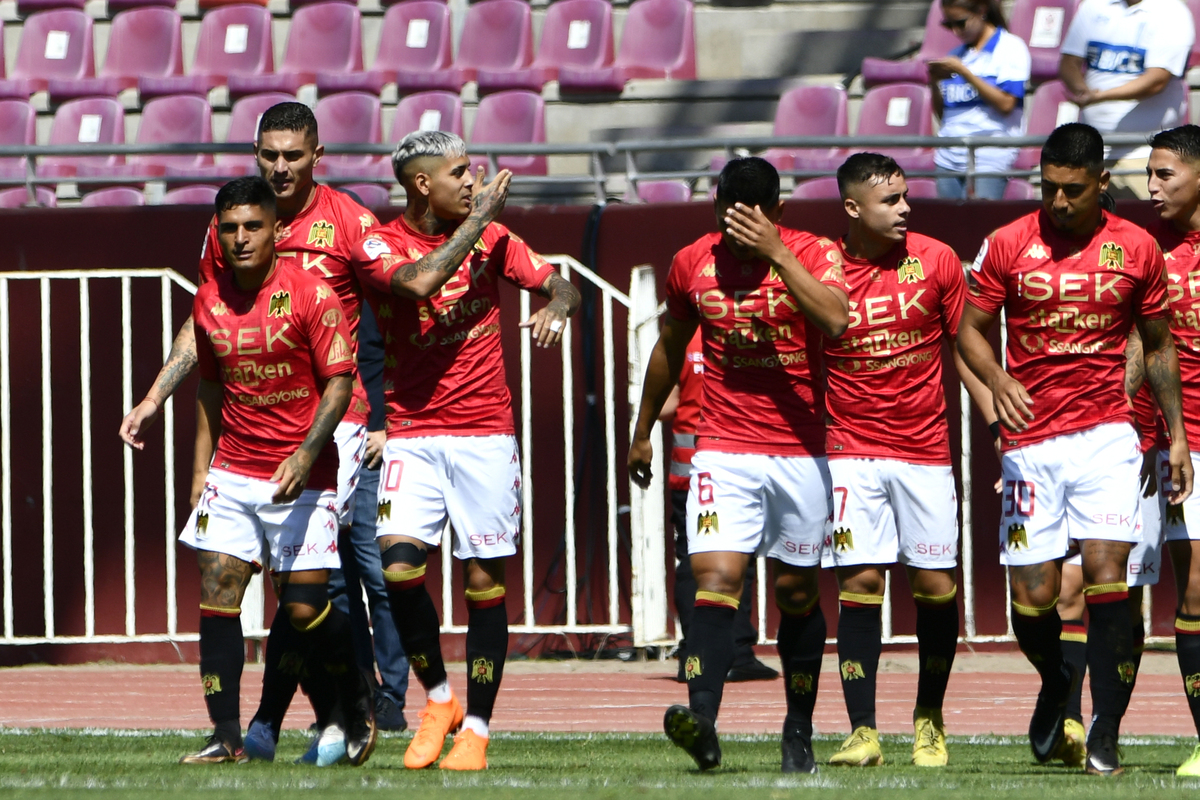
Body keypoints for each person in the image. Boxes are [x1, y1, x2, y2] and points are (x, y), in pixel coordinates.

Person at [117, 102, 404, 764]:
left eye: (292, 155)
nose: (279, 166)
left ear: (316, 155)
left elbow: (396, 295)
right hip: (243, 450)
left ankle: (345, 703)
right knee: (228, 585)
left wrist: (389, 414)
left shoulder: (349, 229)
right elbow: (207, 335)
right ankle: (245, 731)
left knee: (317, 595)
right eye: (268, 155)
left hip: (334, 422)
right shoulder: (223, 240)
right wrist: (154, 398)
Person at [957, 122, 1192, 776]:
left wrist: (1173, 435)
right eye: (1048, 187)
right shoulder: (1006, 243)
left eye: (1072, 190)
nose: (1058, 202)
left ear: (1099, 183)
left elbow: (1159, 343)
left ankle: (1105, 734)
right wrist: (998, 378)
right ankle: (1056, 679)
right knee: (1031, 599)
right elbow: (969, 331)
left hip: (1109, 437)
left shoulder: (1136, 247)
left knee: (1106, 577)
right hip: (1031, 441)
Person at [351, 130, 582, 771]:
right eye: (460, 172)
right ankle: (439, 700)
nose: (473, 182)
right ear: (421, 183)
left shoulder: (496, 240)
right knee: (398, 570)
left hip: (484, 434)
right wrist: (480, 220)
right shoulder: (380, 243)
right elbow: (419, 285)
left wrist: (556, 306)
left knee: (483, 582)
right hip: (414, 433)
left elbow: (562, 286)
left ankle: (476, 728)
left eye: (474, 171)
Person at [629, 156, 850, 774]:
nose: (737, 236)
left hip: (803, 451)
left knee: (795, 590)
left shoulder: (813, 252)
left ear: (778, 213)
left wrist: (779, 254)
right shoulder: (691, 261)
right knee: (716, 579)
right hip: (723, 448)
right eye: (729, 220)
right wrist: (642, 431)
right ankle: (701, 721)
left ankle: (798, 730)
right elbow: (669, 347)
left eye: (752, 221)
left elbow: (835, 319)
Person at [178, 176, 375, 766]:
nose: (240, 238)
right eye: (230, 228)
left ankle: (357, 698)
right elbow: (210, 388)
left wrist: (309, 452)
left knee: (303, 610)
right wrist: (199, 472)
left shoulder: (314, 293)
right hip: (232, 474)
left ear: (275, 231)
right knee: (217, 598)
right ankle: (226, 735)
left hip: (301, 474)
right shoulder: (208, 298)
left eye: (252, 227)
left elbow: (339, 382)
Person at [822, 152, 997, 768]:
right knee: (860, 584)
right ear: (852, 209)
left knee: (935, 586)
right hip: (849, 449)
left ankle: (929, 717)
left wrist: (998, 420)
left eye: (905, 196)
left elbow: (963, 348)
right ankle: (862, 730)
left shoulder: (938, 258)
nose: (905, 208)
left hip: (924, 449)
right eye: (890, 200)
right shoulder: (820, 267)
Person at [1054, 379, 1161, 768]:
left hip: (1135, 455)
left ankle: (1106, 727)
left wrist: (1157, 438)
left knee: (1124, 599)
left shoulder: (1149, 320)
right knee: (1068, 591)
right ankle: (1069, 722)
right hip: (1070, 450)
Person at [665, 329, 778, 685]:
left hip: (688, 469)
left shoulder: (683, 339)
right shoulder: (743, 335)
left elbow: (666, 406)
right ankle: (738, 652)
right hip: (736, 464)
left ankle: (692, 653)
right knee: (739, 561)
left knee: (691, 559)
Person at [1143, 123, 1200, 776]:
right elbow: (1142, 355)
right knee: (1195, 597)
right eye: (1149, 174)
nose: (1150, 186)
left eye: (1164, 175)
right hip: (1188, 448)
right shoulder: (1151, 256)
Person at [1058, 0, 1195, 199]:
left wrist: (1099, 97)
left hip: (1145, 155)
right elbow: (1068, 62)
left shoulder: (1173, 11)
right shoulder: (1093, 5)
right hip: (1092, 153)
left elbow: (1156, 80)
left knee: (1144, 225)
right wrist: (1081, 91)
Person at [928, 0, 1031, 200]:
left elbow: (1006, 104)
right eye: (949, 25)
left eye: (960, 23)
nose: (956, 32)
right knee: (948, 229)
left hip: (988, 157)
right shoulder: (956, 55)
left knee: (982, 226)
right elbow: (944, 116)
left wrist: (964, 72)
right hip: (948, 158)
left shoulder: (1010, 47)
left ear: (981, 11)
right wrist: (933, 82)